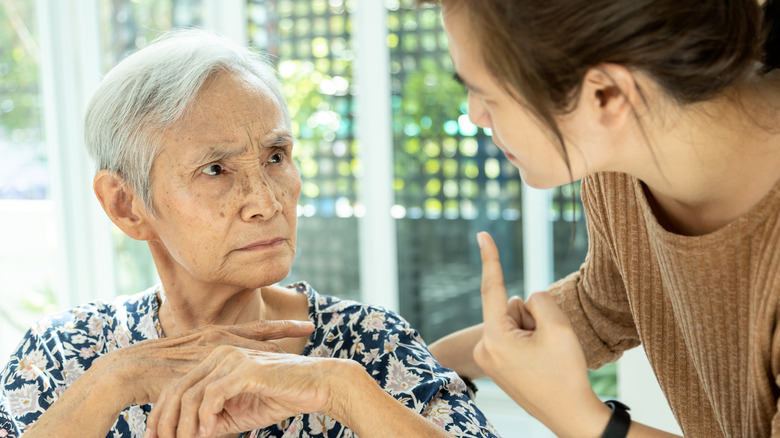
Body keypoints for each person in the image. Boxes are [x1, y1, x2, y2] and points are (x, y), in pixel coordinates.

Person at [0, 29, 498, 438]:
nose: (266, 201)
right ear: (126, 205)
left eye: (276, 156)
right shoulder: (66, 354)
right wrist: (110, 385)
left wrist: (342, 391)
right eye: (215, 169)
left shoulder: (370, 346)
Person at [416, 0, 780, 437]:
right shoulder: (622, 167)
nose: (475, 115)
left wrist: (578, 416)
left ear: (605, 95)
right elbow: (603, 305)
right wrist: (416, 363)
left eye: (486, 93)